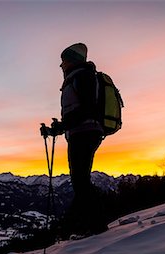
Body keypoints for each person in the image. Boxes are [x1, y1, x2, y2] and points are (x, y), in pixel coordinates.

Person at [52, 43, 108, 237]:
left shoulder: (82, 76)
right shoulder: (77, 77)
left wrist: (62, 125)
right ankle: (89, 224)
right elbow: (78, 110)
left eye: (64, 61)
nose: (61, 65)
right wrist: (59, 128)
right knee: (80, 180)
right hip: (82, 131)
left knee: (80, 180)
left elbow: (86, 108)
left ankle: (96, 226)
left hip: (85, 131)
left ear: (73, 60)